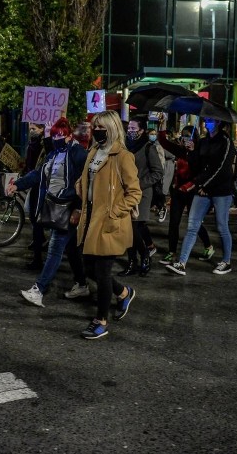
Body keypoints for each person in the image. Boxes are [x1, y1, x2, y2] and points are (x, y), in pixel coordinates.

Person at [75, 110, 142, 339]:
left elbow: (134, 193)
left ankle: (100, 320)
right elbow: (89, 177)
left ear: (112, 128)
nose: (96, 130)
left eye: (101, 127)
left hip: (109, 222)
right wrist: (80, 185)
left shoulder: (123, 156)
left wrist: (114, 211)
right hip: (91, 218)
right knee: (89, 269)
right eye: (95, 126)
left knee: (102, 272)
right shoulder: (94, 150)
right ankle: (124, 292)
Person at [10, 118, 88, 306]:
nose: (56, 138)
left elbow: (84, 183)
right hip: (55, 207)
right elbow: (38, 174)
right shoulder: (53, 154)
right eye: (53, 135)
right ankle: (83, 284)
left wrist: (78, 208)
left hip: (68, 208)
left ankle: (39, 289)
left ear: (69, 136)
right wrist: (17, 185)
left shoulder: (78, 153)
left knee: (55, 249)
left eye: (60, 135)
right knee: (71, 249)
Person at [164, 116, 236, 276]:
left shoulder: (226, 142)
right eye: (205, 120)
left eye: (210, 120)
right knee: (192, 225)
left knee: (222, 226)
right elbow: (197, 166)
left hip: (221, 190)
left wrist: (202, 184)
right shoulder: (203, 141)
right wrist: (191, 152)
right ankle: (181, 263)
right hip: (203, 189)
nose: (206, 123)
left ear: (218, 122)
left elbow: (222, 169)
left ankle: (226, 261)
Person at [157, 124, 216, 266]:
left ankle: (208, 246)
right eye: (183, 135)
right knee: (174, 222)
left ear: (194, 137)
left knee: (193, 222)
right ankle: (172, 252)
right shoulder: (180, 150)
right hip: (178, 191)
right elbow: (163, 141)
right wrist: (163, 126)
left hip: (192, 191)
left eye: (188, 135)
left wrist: (193, 152)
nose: (185, 138)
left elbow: (200, 171)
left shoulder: (200, 152)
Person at [119, 117, 163, 276]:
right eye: (129, 129)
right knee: (127, 229)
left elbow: (158, 172)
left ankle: (145, 255)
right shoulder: (124, 146)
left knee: (134, 228)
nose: (130, 131)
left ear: (142, 130)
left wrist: (138, 183)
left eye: (133, 129)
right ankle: (132, 263)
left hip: (142, 194)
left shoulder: (148, 147)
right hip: (125, 193)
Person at [23, 123, 48, 271]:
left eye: (34, 129)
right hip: (34, 185)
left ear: (42, 130)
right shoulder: (32, 143)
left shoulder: (44, 145)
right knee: (33, 217)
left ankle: (38, 258)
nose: (31, 131)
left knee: (36, 219)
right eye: (30, 128)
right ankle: (39, 248)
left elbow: (39, 169)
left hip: (40, 187)